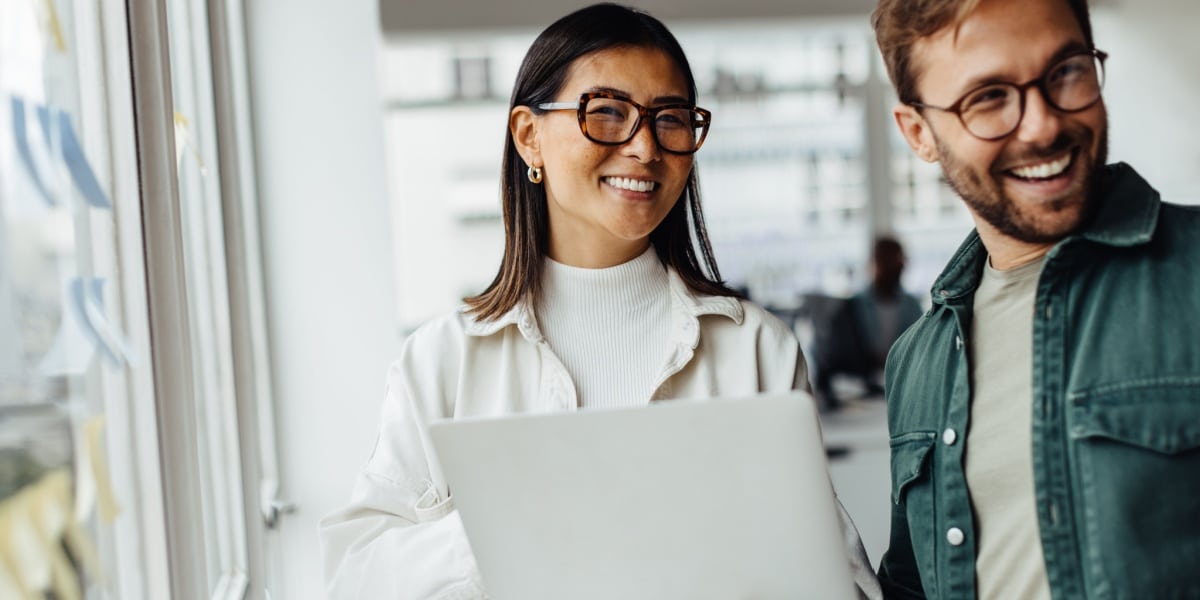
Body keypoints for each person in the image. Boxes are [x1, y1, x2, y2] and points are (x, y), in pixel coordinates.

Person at [319, 4, 880, 598]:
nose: (645, 147)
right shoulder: (443, 360)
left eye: (671, 119)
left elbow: (843, 584)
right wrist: (516, 526)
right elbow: (353, 577)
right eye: (608, 113)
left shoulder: (755, 347)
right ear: (529, 136)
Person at [871, 0, 1200, 598]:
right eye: (989, 97)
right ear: (919, 133)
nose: (1043, 124)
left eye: (1066, 71)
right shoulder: (916, 361)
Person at [814, 236, 923, 410]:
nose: (895, 266)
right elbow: (834, 357)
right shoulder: (851, 308)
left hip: (901, 389)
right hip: (860, 393)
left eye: (898, 260)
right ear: (874, 263)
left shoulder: (912, 305)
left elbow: (920, 349)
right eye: (888, 260)